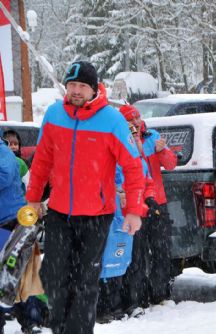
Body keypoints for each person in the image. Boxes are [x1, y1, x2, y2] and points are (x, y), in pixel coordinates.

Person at [25, 60, 145, 334]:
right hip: (58, 212)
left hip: (96, 215)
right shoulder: (54, 115)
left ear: (94, 90)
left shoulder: (112, 120)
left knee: (85, 281)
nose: (76, 91)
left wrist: (134, 210)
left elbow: (133, 167)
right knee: (54, 278)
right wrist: (33, 198)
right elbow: (42, 160)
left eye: (82, 86)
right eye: (72, 85)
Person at [119, 104, 177, 306]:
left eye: (137, 117)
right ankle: (139, 297)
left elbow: (171, 164)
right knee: (137, 254)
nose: (135, 122)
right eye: (130, 119)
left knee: (161, 250)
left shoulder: (152, 136)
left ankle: (160, 293)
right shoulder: (122, 140)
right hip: (134, 206)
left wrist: (161, 152)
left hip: (157, 202)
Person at [0, 130, 26, 334]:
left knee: (12, 274)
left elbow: (5, 177)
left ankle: (31, 319)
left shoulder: (4, 152)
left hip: (8, 222)